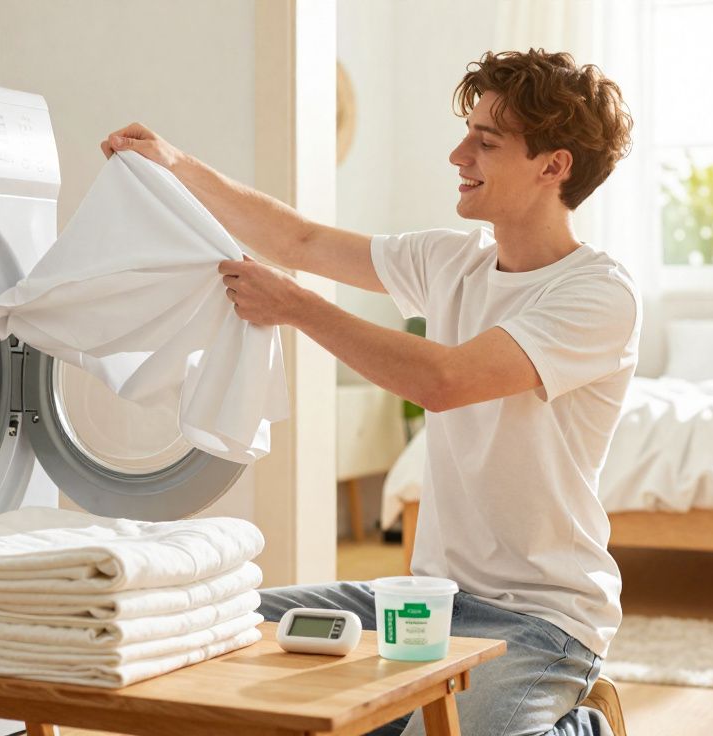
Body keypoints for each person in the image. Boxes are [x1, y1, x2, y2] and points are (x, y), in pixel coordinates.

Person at [101, 48, 637, 736]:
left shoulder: (597, 293)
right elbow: (299, 240)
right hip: (424, 601)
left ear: (553, 166)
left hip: (542, 620)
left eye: (486, 141)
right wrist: (175, 164)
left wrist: (294, 306)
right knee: (212, 634)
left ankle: (580, 727)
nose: (458, 154)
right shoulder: (451, 260)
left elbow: (445, 381)